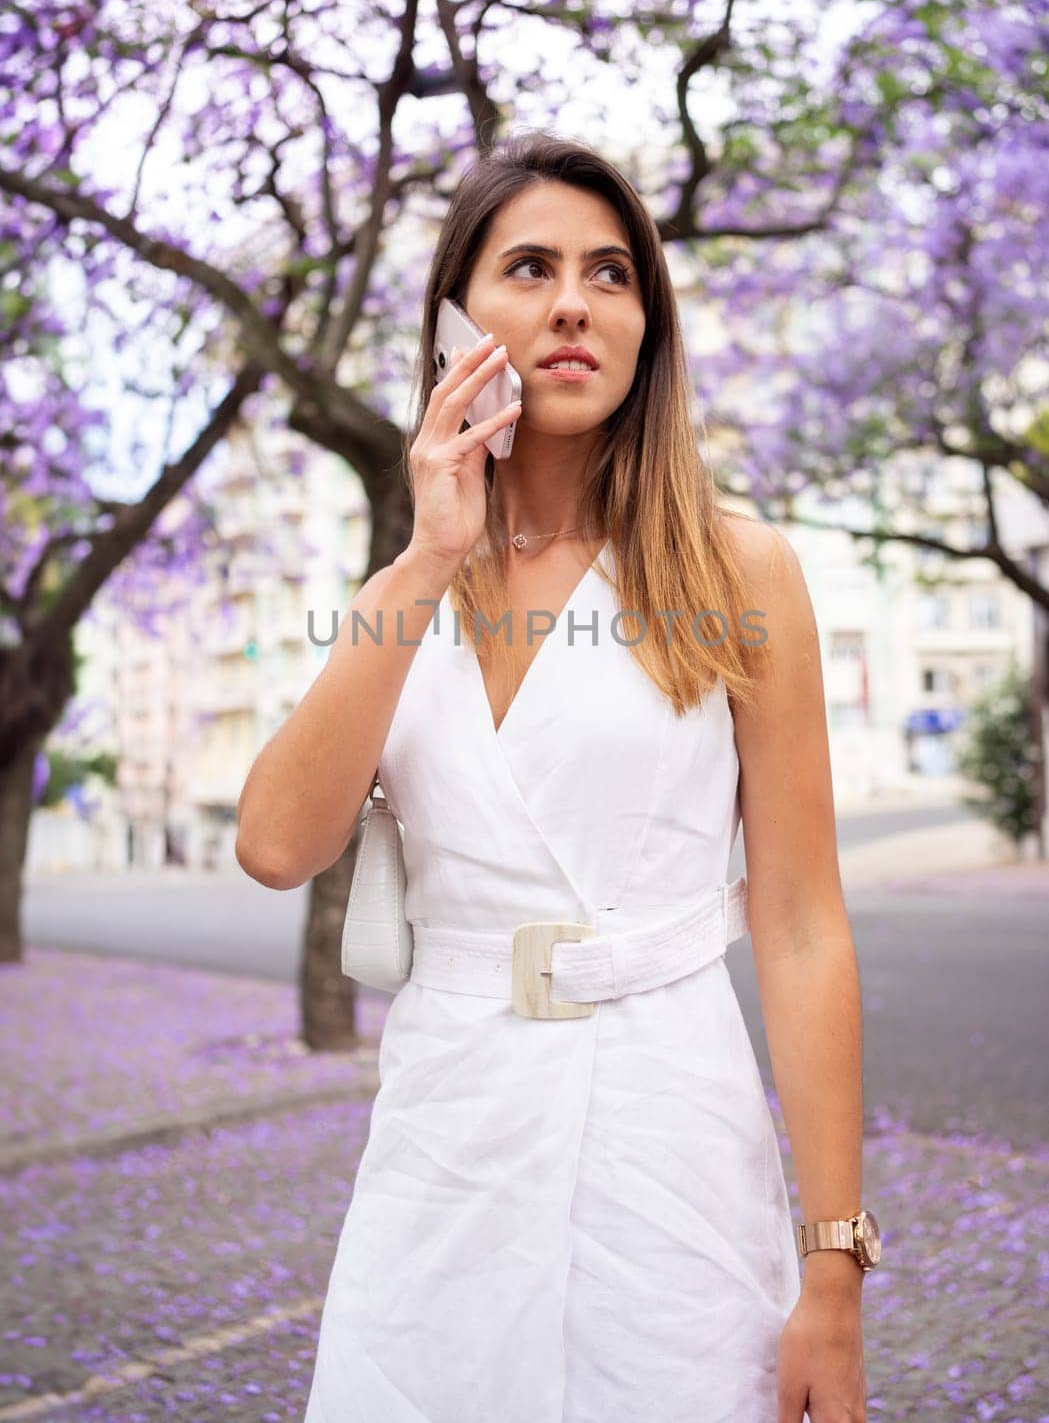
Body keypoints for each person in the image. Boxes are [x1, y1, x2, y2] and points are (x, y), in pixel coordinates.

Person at [237, 131, 873, 1422]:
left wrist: (834, 1267)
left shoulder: (739, 573)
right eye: (529, 267)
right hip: (446, 1141)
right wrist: (423, 562)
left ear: (648, 325)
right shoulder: (402, 589)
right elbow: (273, 844)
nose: (575, 301)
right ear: (454, 324)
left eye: (612, 275)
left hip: (668, 1136)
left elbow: (802, 923)